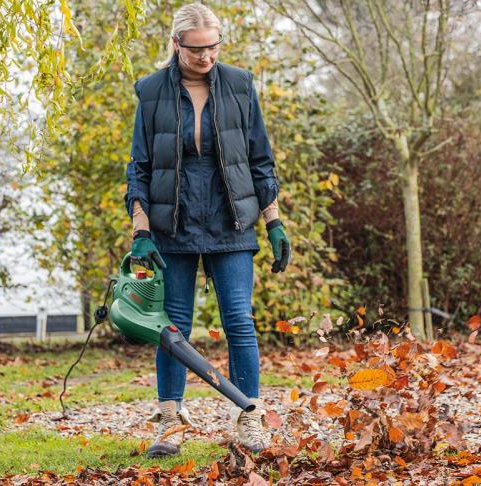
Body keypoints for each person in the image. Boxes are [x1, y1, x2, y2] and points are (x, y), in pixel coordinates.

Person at [124, 2, 291, 458]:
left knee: (239, 319)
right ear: (176, 44)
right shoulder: (152, 91)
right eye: (197, 49)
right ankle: (170, 423)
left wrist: (272, 220)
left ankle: (249, 417)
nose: (207, 57)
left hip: (230, 219)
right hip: (171, 223)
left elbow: (260, 159)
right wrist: (141, 229)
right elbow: (139, 166)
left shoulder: (239, 85)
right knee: (173, 327)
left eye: (214, 47)